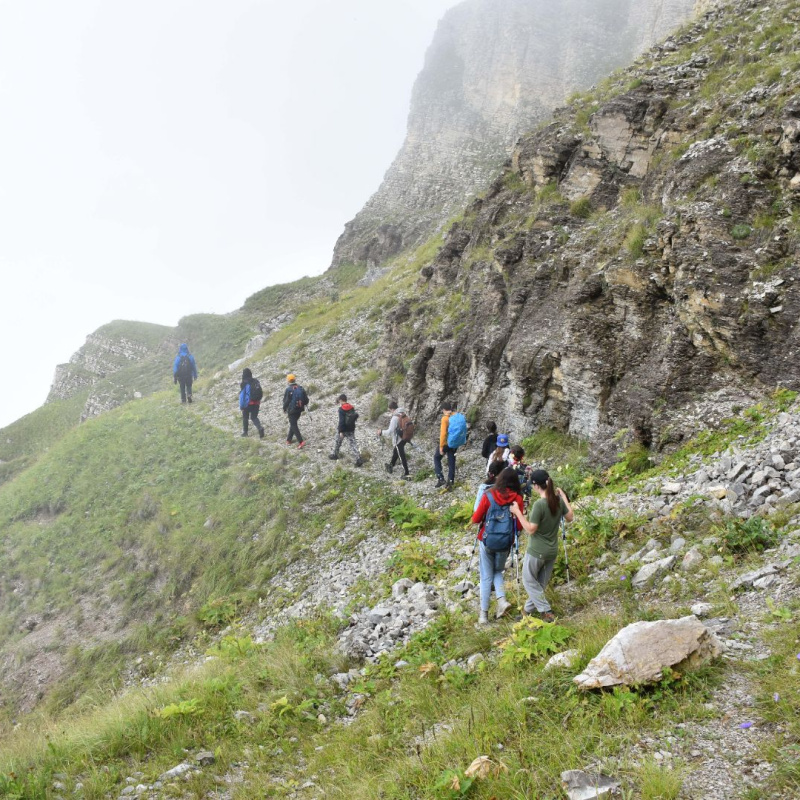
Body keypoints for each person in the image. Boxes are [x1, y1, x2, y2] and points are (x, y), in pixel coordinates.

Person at [509, 468, 574, 623]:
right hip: (552, 551)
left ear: (536, 485)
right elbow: (570, 517)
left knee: (528, 580)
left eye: (532, 485)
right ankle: (527, 612)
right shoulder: (557, 500)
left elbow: (531, 529)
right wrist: (564, 498)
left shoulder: (539, 504)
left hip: (536, 550)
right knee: (539, 584)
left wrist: (518, 512)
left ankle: (546, 612)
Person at [470, 468, 525, 624]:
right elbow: (519, 526)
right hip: (505, 543)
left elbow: (475, 519)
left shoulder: (489, 495)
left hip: (487, 540)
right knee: (497, 571)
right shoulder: (518, 499)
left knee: (486, 576)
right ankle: (501, 601)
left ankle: (483, 616)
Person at [434, 402, 465, 489]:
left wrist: (441, 447)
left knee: (436, 457)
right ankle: (450, 482)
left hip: (447, 443)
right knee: (451, 460)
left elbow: (443, 434)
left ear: (444, 410)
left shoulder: (445, 418)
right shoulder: (457, 415)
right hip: (456, 442)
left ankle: (440, 478)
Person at [378, 400, 411, 479]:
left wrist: (381, 432)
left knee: (401, 455)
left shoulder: (394, 418)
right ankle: (391, 465)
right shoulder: (402, 413)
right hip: (405, 437)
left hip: (398, 439)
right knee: (395, 452)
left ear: (392, 409)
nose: (390, 412)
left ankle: (406, 473)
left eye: (390, 410)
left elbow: (390, 431)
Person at [329, 394, 363, 466]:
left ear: (341, 400)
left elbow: (341, 421)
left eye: (339, 400)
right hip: (351, 429)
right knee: (353, 444)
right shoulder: (351, 407)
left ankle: (335, 454)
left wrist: (341, 431)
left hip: (343, 430)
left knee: (337, 442)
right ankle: (358, 459)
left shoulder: (341, 409)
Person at [282, 374, 309, 448]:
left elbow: (286, 401)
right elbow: (306, 400)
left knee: (294, 425)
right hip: (299, 409)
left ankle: (301, 441)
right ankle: (289, 440)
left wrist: (284, 408)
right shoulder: (300, 388)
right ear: (294, 379)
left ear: (288, 380)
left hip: (292, 410)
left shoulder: (288, 389)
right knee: (293, 423)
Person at [239, 368, 264, 438]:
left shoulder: (244, 383)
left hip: (248, 404)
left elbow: (242, 395)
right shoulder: (256, 381)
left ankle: (245, 432)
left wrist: (241, 406)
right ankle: (260, 428)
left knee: (245, 417)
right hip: (256, 403)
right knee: (254, 417)